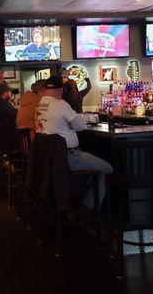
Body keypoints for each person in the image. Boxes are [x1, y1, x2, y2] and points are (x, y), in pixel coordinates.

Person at [36, 76, 112, 209]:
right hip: (68, 157)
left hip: (49, 159)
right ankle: (87, 211)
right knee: (106, 169)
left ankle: (72, 204)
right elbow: (81, 126)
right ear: (60, 91)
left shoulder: (40, 105)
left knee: (87, 175)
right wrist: (70, 124)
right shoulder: (60, 104)